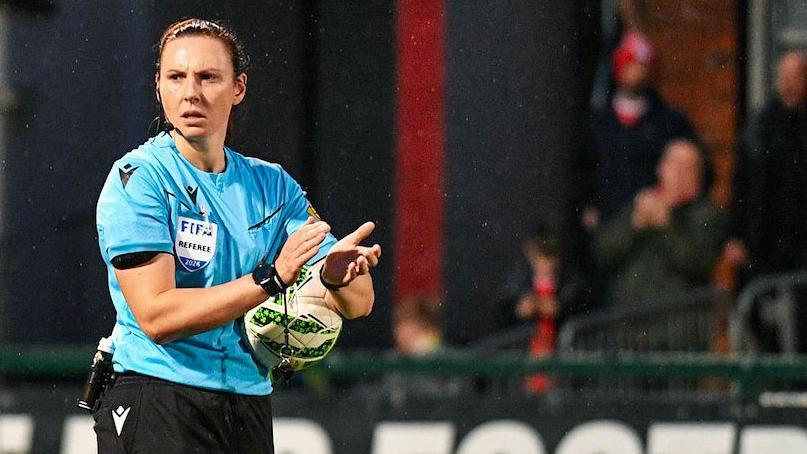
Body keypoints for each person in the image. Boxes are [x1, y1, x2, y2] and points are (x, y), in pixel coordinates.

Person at [92, 18, 381, 453]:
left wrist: (335, 278)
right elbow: (157, 317)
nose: (191, 92)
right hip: (157, 397)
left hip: (246, 402)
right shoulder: (139, 179)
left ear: (239, 88)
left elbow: (360, 303)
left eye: (209, 77)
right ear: (159, 86)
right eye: (176, 77)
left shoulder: (272, 185)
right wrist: (271, 279)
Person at [726, 50, 807, 351]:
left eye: (796, 76)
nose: (789, 84)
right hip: (765, 243)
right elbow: (742, 185)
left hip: (798, 241)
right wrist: (736, 234)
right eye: (784, 77)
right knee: (764, 319)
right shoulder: (760, 127)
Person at [577, 32, 698, 231]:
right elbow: (582, 171)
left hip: (654, 225)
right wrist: (588, 205)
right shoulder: (597, 123)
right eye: (631, 65)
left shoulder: (669, 121)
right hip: (608, 222)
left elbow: (695, 169)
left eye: (643, 66)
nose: (637, 73)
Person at [593, 139, 725, 308]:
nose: (678, 172)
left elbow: (697, 262)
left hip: (674, 321)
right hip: (628, 319)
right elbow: (602, 251)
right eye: (673, 163)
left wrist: (666, 225)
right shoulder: (642, 203)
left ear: (698, 176)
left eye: (686, 167)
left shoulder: (705, 215)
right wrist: (634, 225)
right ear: (661, 167)